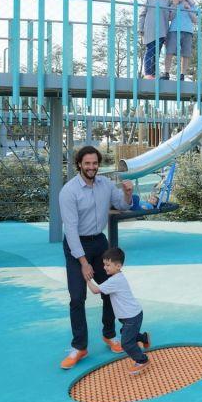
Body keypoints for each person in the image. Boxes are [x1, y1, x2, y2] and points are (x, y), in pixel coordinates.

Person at [59, 145, 134, 369]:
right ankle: (79, 347)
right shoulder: (69, 191)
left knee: (110, 290)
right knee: (77, 297)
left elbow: (122, 205)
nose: (91, 167)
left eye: (94, 163)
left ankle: (109, 335)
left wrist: (127, 193)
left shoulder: (106, 184)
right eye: (87, 163)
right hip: (76, 245)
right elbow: (71, 230)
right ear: (79, 165)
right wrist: (83, 262)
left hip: (99, 242)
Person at [85, 247, 152, 375]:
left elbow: (95, 290)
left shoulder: (114, 281)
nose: (104, 267)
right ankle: (144, 338)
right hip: (131, 315)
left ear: (118, 266)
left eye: (107, 265)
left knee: (126, 343)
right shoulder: (117, 277)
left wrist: (87, 278)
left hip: (132, 317)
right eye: (104, 264)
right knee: (125, 332)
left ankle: (142, 360)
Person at [137, 0, 171, 79]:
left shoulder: (168, 2)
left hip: (162, 31)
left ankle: (154, 74)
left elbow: (179, 0)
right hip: (150, 30)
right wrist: (140, 28)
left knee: (157, 53)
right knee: (150, 51)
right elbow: (142, 14)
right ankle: (148, 73)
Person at [165, 0, 198, 80]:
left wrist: (188, 9)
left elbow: (195, 20)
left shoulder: (191, 4)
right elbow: (170, 18)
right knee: (169, 51)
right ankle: (166, 72)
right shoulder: (172, 4)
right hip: (174, 30)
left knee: (186, 53)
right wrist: (174, 7)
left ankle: (182, 74)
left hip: (188, 31)